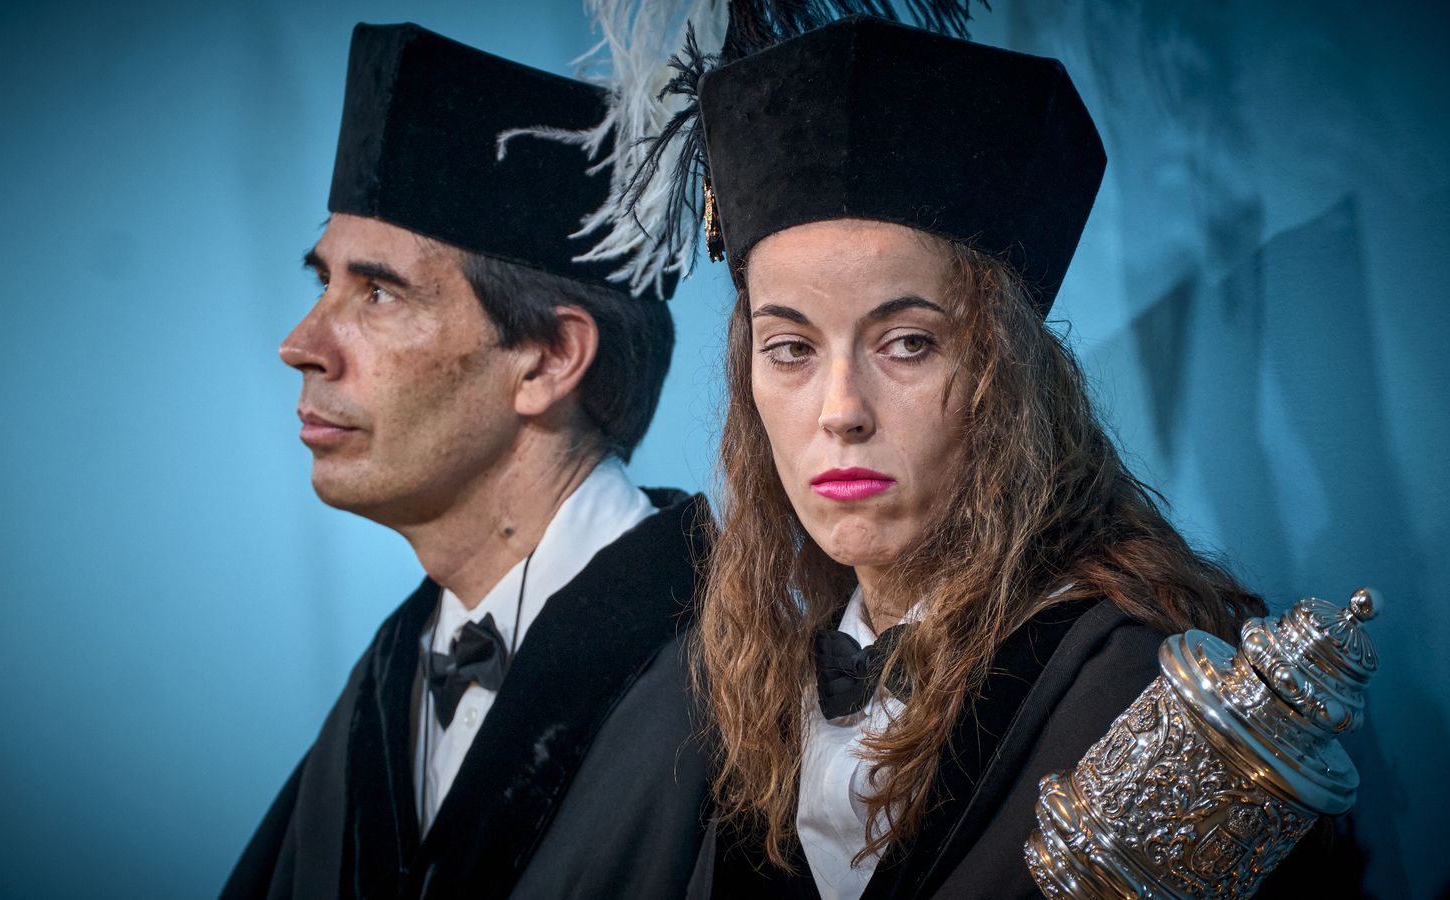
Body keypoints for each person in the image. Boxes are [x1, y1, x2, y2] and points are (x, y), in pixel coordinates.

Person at [592, 14, 1362, 899]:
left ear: (1009, 378)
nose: (840, 412)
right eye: (792, 349)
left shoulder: (1132, 695)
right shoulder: (745, 692)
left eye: (909, 343)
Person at [221, 22, 709, 900]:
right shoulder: (385, 685)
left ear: (548, 359)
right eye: (320, 283)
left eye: (377, 292)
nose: (301, 345)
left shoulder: (737, 679)